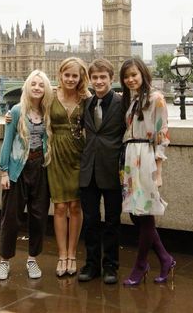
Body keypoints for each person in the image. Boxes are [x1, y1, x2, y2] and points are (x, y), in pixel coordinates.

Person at [119, 57, 176, 286]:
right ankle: (165, 258)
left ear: (142, 73)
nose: (130, 79)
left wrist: (158, 172)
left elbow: (162, 136)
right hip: (131, 159)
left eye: (134, 74)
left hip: (146, 160)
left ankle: (141, 265)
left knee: (144, 214)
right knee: (136, 214)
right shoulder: (133, 101)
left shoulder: (156, 98)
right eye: (126, 76)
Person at [0, 70, 52, 280]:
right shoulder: (16, 111)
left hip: (41, 168)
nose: (37, 88)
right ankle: (4, 261)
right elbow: (7, 142)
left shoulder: (48, 112)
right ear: (27, 86)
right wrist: (3, 172)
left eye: (41, 85)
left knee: (38, 217)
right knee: (11, 218)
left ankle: (32, 259)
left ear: (46, 89)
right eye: (34, 84)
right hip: (18, 168)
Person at [78, 58, 125, 284]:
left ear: (111, 78)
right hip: (89, 170)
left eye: (102, 77)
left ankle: (111, 266)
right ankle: (92, 264)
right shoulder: (85, 103)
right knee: (90, 220)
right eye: (94, 78)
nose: (98, 81)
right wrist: (14, 115)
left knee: (112, 221)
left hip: (112, 169)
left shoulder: (122, 103)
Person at [47, 57, 91, 277]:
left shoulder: (86, 98)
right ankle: (62, 255)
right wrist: (11, 115)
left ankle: (73, 254)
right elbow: (29, 108)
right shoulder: (50, 95)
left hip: (79, 156)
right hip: (55, 155)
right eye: (68, 75)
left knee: (75, 206)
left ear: (81, 77)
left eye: (75, 75)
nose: (71, 79)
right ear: (60, 75)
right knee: (60, 207)